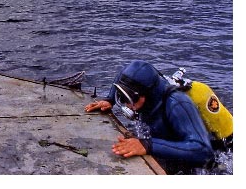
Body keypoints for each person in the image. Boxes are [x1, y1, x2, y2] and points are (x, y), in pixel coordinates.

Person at [84, 60, 214, 174]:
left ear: (148, 94)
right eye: (124, 97)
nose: (128, 105)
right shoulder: (139, 92)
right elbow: (123, 73)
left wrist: (148, 145)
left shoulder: (177, 105)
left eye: (130, 98)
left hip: (194, 155)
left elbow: (204, 152)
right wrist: (110, 99)